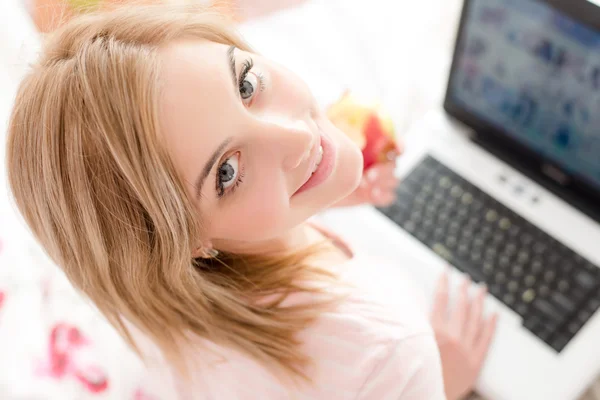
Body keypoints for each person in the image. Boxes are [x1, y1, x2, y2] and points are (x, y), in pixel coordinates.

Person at [5, 4, 497, 399]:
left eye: (245, 85)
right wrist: (439, 386)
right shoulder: (390, 352)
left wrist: (309, 201)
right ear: (187, 240)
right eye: (227, 172)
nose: (297, 136)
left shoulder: (141, 291)